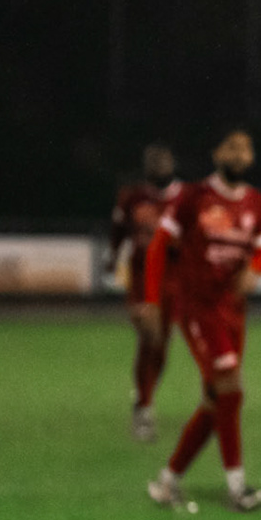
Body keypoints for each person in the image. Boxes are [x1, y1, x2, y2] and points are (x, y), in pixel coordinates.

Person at [141, 127, 261, 513]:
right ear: (217, 153)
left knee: (218, 400)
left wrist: (256, 269)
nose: (239, 155)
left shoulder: (257, 203)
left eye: (245, 149)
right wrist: (152, 301)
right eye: (232, 147)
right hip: (199, 309)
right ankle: (237, 488)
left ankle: (167, 482)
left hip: (233, 314)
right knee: (230, 389)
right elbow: (159, 245)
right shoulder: (193, 197)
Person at [110, 143, 184, 442]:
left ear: (172, 165)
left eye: (163, 162)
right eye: (154, 163)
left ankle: (145, 397)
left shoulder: (183, 199)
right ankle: (143, 407)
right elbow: (118, 230)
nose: (159, 167)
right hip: (141, 278)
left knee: (160, 345)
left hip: (172, 280)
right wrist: (112, 257)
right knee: (148, 337)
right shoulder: (132, 197)